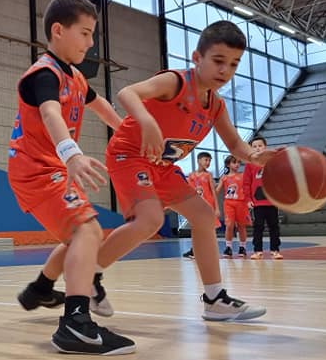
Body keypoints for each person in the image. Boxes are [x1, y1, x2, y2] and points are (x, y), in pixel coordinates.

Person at [98, 19, 273, 322]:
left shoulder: (215, 105)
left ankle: (214, 299)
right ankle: (88, 274)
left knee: (204, 216)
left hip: (162, 166)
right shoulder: (175, 82)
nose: (225, 70)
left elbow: (235, 145)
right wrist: (146, 120)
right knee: (151, 219)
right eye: (218, 61)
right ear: (197, 58)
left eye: (233, 64)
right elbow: (127, 93)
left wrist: (256, 156)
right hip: (129, 156)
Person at [8, 0, 135, 354]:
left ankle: (41, 289)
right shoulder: (43, 74)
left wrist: (130, 133)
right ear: (58, 31)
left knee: (79, 237)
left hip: (49, 168)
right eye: (85, 33)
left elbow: (101, 106)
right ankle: (76, 324)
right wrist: (72, 154)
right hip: (35, 169)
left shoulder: (75, 77)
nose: (91, 43)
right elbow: (50, 114)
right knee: (87, 230)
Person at [243, 134, 283, 259]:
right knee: (258, 227)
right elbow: (246, 183)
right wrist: (248, 199)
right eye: (254, 146)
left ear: (265, 147)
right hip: (257, 203)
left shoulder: (272, 162)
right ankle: (257, 251)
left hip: (272, 201)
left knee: (274, 226)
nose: (257, 148)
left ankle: (275, 250)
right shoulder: (249, 164)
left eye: (260, 145)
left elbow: (279, 180)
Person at [182, 150, 220, 258]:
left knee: (209, 229)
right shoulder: (191, 175)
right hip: (197, 206)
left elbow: (213, 192)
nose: (208, 163)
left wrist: (217, 208)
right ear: (199, 160)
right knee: (196, 228)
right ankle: (194, 250)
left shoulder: (208, 175)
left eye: (209, 161)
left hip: (208, 205)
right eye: (206, 160)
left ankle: (210, 250)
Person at [216, 155, 249, 257]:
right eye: (234, 162)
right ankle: (228, 247)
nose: (237, 164)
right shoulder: (224, 177)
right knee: (229, 225)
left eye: (238, 162)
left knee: (241, 226)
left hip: (241, 203)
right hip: (229, 203)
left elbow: (247, 188)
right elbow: (217, 190)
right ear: (228, 164)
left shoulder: (242, 175)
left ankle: (242, 247)